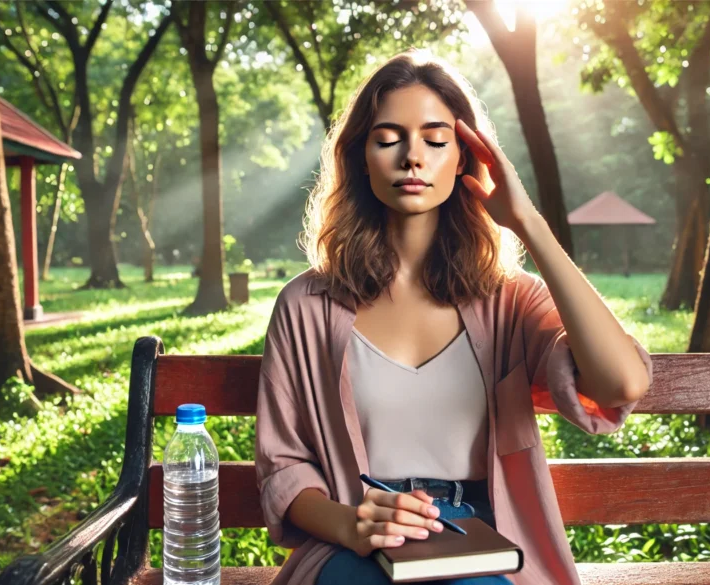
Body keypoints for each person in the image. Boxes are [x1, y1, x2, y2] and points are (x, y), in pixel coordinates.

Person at [254, 49, 654, 585]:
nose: (412, 157)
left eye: (437, 140)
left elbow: (621, 383)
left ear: (465, 158)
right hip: (359, 542)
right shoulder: (305, 306)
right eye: (388, 137)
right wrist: (354, 525)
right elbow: (284, 467)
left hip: (486, 542)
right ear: (359, 157)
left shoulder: (512, 301)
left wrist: (528, 223)